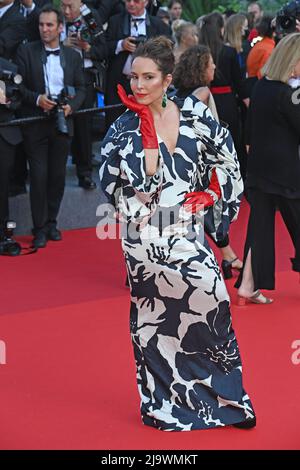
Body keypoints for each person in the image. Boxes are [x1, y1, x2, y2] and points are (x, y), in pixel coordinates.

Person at [100, 36, 256, 430]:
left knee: (213, 301)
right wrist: (147, 143)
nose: (138, 85)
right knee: (156, 326)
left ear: (167, 79)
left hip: (186, 232)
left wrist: (210, 196)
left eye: (147, 77)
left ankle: (227, 401)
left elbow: (227, 156)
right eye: (134, 76)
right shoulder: (122, 128)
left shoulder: (195, 113)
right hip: (145, 236)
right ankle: (163, 405)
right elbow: (113, 186)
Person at [235, 33, 300, 305]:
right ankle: (248, 285)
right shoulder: (290, 94)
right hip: (286, 173)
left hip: (258, 169)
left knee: (259, 227)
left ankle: (248, 284)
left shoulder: (260, 88)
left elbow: (249, 132)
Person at [16, 5, 86, 248]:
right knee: (38, 176)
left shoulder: (73, 56)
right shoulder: (26, 51)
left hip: (62, 123)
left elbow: (83, 88)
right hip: (35, 123)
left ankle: (52, 223)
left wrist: (71, 107)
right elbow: (19, 88)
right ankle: (39, 228)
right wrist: (37, 99)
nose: (44, 29)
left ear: (60, 28)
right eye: (41, 25)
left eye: (49, 25)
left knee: (57, 177)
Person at [173, 44, 243, 280]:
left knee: (198, 212)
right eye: (211, 62)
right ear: (202, 67)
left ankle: (228, 256)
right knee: (210, 210)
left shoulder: (176, 91)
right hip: (200, 163)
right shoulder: (202, 92)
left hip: (179, 160)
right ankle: (228, 257)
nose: (214, 66)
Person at [104, 0, 171, 129]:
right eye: (128, 0)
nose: (131, 4)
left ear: (146, 2)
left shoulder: (159, 25)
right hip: (119, 82)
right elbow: (102, 49)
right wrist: (121, 45)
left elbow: (167, 53)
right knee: (115, 123)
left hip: (148, 84)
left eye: (136, 0)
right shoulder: (115, 21)